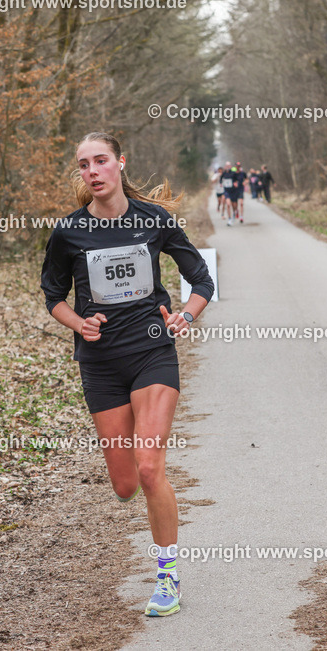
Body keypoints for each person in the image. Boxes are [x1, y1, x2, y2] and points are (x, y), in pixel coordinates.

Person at [40, 131, 214, 617]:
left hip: (151, 353)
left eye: (100, 161)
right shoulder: (68, 232)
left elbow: (201, 278)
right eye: (83, 164)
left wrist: (187, 314)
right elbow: (53, 295)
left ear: (120, 163)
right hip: (100, 364)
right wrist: (79, 322)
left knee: (149, 467)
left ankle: (167, 576)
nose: (92, 171)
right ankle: (138, 472)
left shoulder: (154, 221)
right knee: (123, 484)